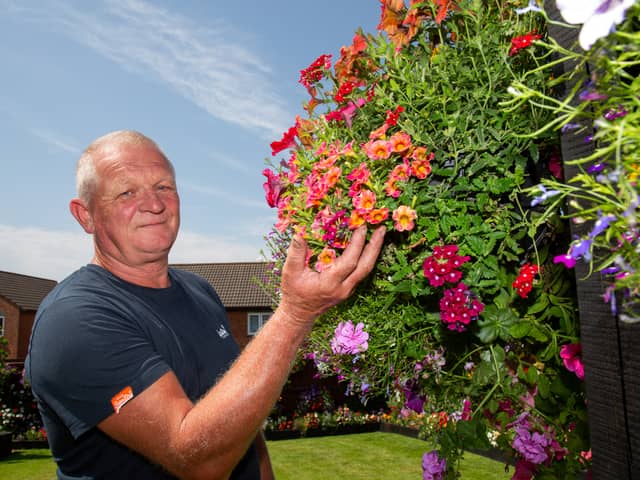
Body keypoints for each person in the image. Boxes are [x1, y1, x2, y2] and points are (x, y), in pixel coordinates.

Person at [26, 130, 386, 480]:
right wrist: (296, 313)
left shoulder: (200, 291)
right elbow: (197, 461)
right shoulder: (73, 319)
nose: (154, 204)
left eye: (164, 186)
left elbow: (242, 425)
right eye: (126, 192)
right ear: (84, 215)